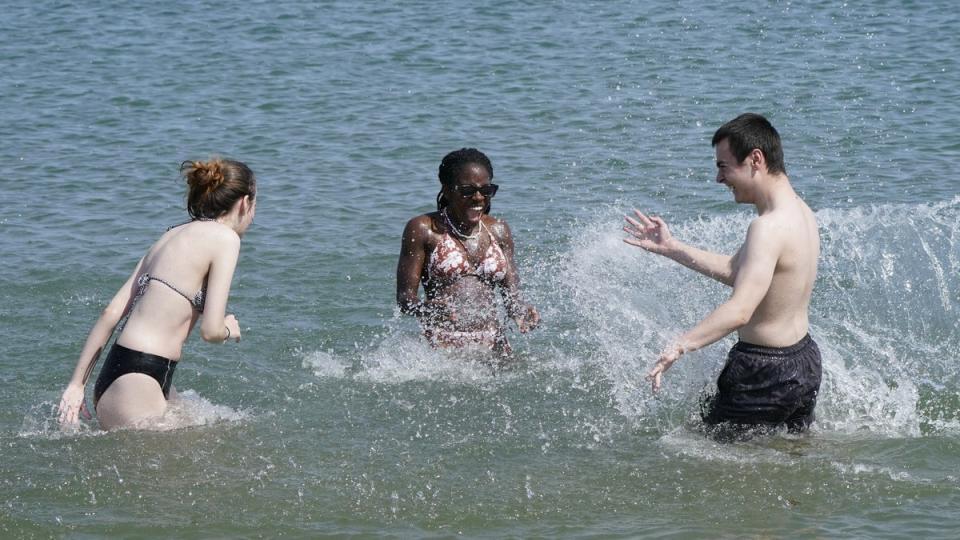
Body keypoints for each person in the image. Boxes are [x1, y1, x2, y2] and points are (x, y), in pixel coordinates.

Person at [624, 113, 822, 435]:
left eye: (723, 166)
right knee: (788, 453)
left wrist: (680, 345)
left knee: (696, 451)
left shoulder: (766, 228)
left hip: (763, 372)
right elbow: (739, 272)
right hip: (804, 362)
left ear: (755, 159)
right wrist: (672, 248)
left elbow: (741, 309)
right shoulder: (801, 212)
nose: (719, 179)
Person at [58, 158, 256, 430]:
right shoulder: (225, 238)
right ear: (245, 202)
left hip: (118, 375)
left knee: (206, 432)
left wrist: (76, 385)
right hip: (139, 380)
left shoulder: (171, 234)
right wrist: (228, 329)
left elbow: (112, 312)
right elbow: (210, 331)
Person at [396, 148, 540, 357]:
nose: (478, 198)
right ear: (446, 190)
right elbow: (404, 300)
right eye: (467, 191)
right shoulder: (423, 229)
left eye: (486, 190)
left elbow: (512, 296)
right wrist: (426, 309)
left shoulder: (499, 230)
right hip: (442, 348)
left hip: (495, 346)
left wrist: (521, 311)